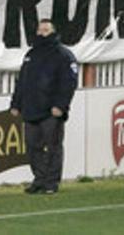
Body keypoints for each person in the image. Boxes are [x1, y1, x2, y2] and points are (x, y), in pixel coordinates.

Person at [9, 19, 77, 195]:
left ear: (53, 32)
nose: (41, 33)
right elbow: (22, 81)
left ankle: (51, 183)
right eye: (40, 30)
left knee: (53, 147)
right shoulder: (31, 54)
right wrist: (16, 103)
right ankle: (39, 179)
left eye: (45, 30)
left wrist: (60, 106)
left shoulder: (63, 55)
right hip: (31, 108)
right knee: (32, 147)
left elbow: (68, 83)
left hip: (51, 110)